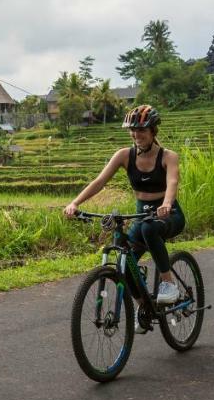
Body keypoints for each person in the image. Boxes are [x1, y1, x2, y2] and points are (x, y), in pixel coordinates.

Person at [64, 105, 185, 332]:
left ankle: (168, 283)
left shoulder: (168, 157)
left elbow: (172, 183)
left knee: (150, 229)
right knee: (124, 262)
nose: (137, 135)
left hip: (169, 215)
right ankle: (144, 309)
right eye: (133, 130)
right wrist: (75, 203)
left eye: (142, 130)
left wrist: (167, 204)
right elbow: (99, 181)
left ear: (153, 131)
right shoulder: (124, 155)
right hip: (142, 216)